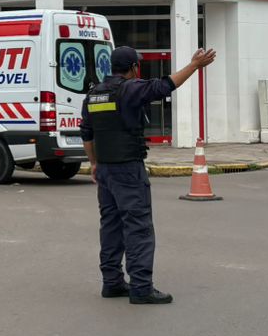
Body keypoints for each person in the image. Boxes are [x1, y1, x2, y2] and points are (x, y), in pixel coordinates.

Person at [80, 45, 216, 305]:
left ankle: (112, 282)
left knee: (111, 225)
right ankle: (141, 287)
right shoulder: (129, 89)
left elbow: (86, 133)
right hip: (128, 169)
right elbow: (163, 86)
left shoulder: (94, 94)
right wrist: (194, 66)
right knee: (138, 226)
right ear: (133, 68)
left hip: (106, 169)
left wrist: (94, 163)